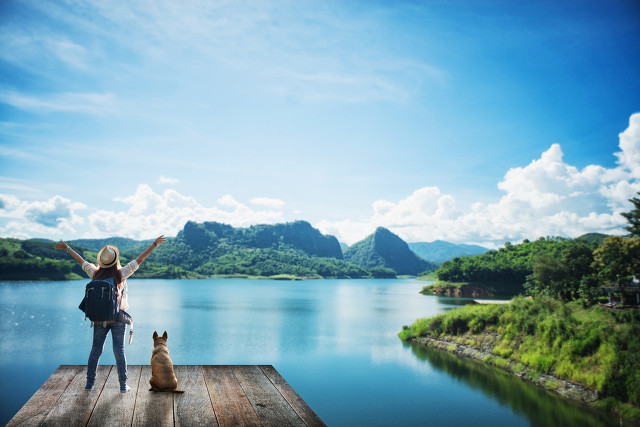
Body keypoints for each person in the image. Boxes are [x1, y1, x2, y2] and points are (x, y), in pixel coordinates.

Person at [54, 235, 166, 392]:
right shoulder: (120, 274)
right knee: (119, 350)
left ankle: (89, 383)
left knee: (96, 350)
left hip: (99, 318)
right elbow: (139, 260)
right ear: (115, 261)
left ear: (102, 261)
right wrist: (154, 244)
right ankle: (123, 385)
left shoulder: (95, 273)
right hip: (118, 318)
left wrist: (67, 248)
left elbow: (81, 261)